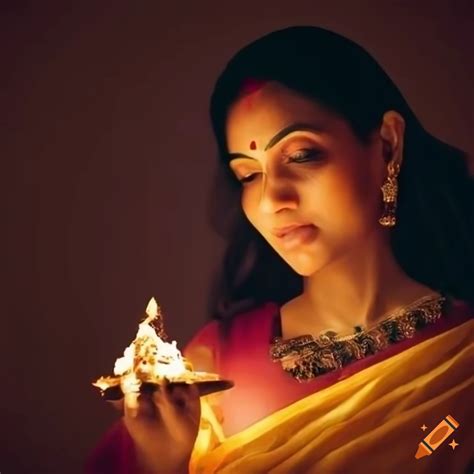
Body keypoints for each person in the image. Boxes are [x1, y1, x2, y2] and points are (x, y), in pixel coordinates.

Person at [86, 26, 474, 473]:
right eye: (248, 175)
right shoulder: (212, 363)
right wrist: (162, 462)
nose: (272, 200)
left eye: (302, 155)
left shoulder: (461, 362)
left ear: (387, 145)